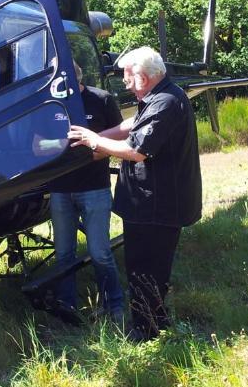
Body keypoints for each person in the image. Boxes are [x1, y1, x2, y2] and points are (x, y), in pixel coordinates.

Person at [69, 46, 202, 342]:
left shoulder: (165, 103)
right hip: (152, 204)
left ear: (142, 77)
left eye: (128, 77)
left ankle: (144, 330)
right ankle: (158, 319)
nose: (125, 83)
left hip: (157, 206)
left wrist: (94, 143)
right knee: (152, 267)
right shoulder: (158, 98)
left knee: (145, 268)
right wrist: (95, 136)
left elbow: (137, 150)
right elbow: (129, 126)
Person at [46, 61, 125, 323]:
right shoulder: (48, 104)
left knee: (100, 251)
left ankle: (114, 306)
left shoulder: (101, 100)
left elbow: (121, 139)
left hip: (94, 188)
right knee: (63, 254)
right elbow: (36, 143)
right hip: (60, 189)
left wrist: (88, 154)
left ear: (74, 78)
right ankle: (66, 308)